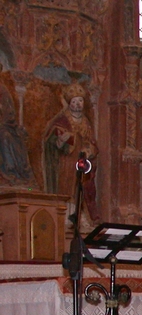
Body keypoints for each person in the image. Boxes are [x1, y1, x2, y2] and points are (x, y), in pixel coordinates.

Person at [42, 82, 100, 224]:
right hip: (65, 163)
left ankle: (81, 216)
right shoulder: (62, 120)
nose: (78, 104)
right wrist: (63, 140)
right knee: (67, 189)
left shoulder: (85, 121)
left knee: (81, 189)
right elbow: (51, 141)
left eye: (80, 100)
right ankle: (66, 217)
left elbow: (91, 142)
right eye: (74, 101)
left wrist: (89, 149)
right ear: (69, 103)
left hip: (81, 162)